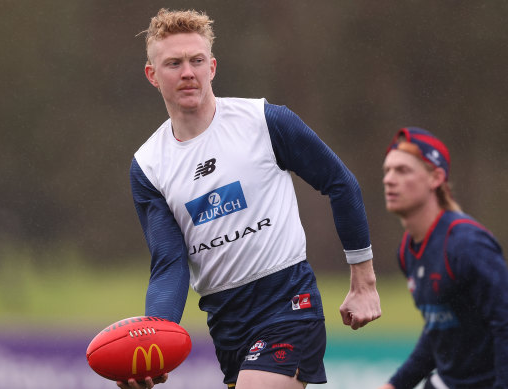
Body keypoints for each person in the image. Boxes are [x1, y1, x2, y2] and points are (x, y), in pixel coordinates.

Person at [124, 8, 381, 389]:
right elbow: (169, 264)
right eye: (173, 63)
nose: (187, 72)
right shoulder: (148, 165)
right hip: (227, 322)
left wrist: (365, 281)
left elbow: (341, 183)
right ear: (152, 75)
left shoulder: (264, 121)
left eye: (196, 61)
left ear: (212, 66)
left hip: (289, 302)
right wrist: (154, 347)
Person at [378, 127, 508, 389]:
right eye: (387, 171)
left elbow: (505, 324)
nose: (389, 180)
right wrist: (395, 385)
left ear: (436, 178)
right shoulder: (407, 250)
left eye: (402, 171)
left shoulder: (467, 244)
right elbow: (438, 332)